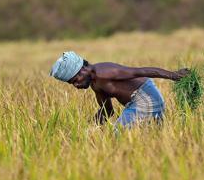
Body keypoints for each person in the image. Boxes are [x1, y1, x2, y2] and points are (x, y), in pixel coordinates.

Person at [50, 51, 189, 127]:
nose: (76, 85)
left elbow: (140, 71)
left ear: (82, 70)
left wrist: (174, 75)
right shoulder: (95, 84)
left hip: (145, 98)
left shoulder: (105, 71)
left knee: (120, 131)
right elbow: (107, 111)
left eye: (75, 80)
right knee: (149, 136)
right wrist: (91, 129)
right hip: (134, 104)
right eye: (72, 84)